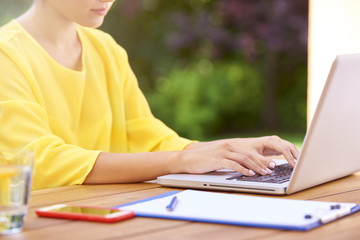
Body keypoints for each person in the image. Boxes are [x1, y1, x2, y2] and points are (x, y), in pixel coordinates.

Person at [0, 0, 299, 190]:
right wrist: (177, 162)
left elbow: (150, 139)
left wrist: (228, 149)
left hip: (103, 217)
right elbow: (39, 162)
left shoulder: (107, 50)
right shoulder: (6, 54)